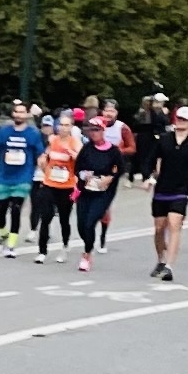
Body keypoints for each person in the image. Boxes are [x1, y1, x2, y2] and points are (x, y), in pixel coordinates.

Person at [149, 106, 188, 281]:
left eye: (184, 119)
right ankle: (161, 259)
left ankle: (169, 266)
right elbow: (152, 159)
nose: (180, 121)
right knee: (159, 228)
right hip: (162, 189)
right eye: (179, 118)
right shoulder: (165, 139)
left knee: (175, 225)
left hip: (181, 190)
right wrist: (149, 176)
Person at [0, 101, 44, 257]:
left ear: (27, 115)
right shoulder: (4, 131)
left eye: (22, 112)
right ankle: (3, 234)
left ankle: (11, 244)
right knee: (0, 211)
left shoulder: (33, 133)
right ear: (13, 114)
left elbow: (41, 155)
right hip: (3, 177)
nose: (19, 115)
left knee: (16, 209)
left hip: (23, 178)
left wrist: (44, 168)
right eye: (16, 112)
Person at [72, 117, 123, 274]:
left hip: (103, 193)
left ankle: (87, 254)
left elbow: (119, 169)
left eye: (96, 130)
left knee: (90, 222)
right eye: (91, 130)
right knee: (81, 225)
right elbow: (77, 168)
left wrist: (110, 177)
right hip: (86, 190)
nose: (93, 133)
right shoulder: (87, 149)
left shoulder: (113, 151)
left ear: (103, 131)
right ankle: (88, 243)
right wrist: (83, 175)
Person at [34, 112, 79, 262]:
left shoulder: (75, 142)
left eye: (67, 125)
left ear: (71, 127)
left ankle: (65, 247)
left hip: (66, 186)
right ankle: (42, 252)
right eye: (61, 125)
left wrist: (73, 155)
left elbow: (82, 161)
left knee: (64, 219)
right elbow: (45, 157)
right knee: (45, 217)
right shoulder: (53, 140)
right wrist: (42, 161)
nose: (63, 128)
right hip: (49, 184)